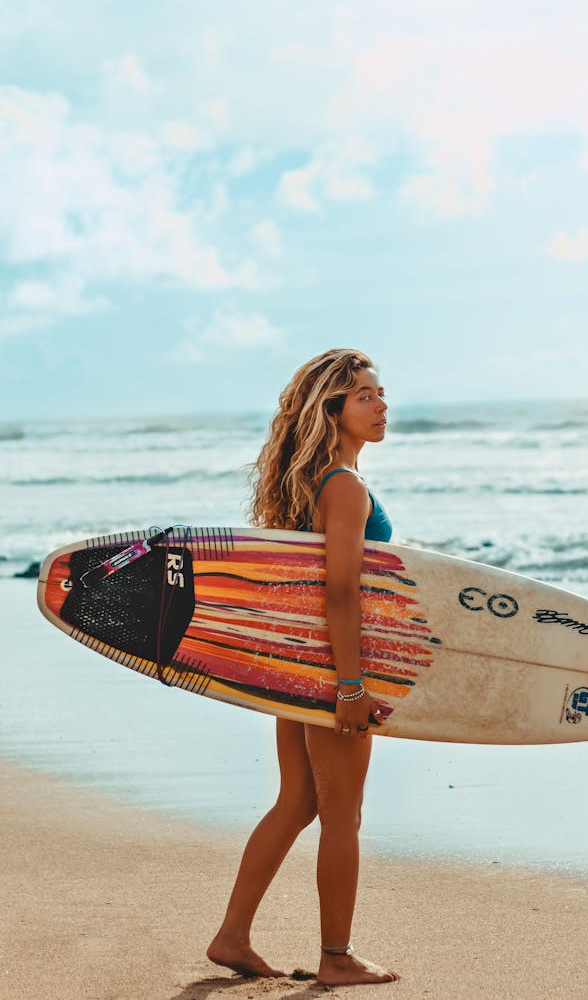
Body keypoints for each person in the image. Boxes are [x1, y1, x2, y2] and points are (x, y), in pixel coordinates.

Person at [206, 348, 399, 987]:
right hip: (332, 672)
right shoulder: (344, 487)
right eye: (365, 396)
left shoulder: (309, 484)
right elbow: (340, 593)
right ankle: (336, 958)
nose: (381, 405)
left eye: (379, 393)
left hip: (297, 666)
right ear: (333, 410)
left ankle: (232, 936)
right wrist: (350, 686)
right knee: (342, 814)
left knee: (297, 802)